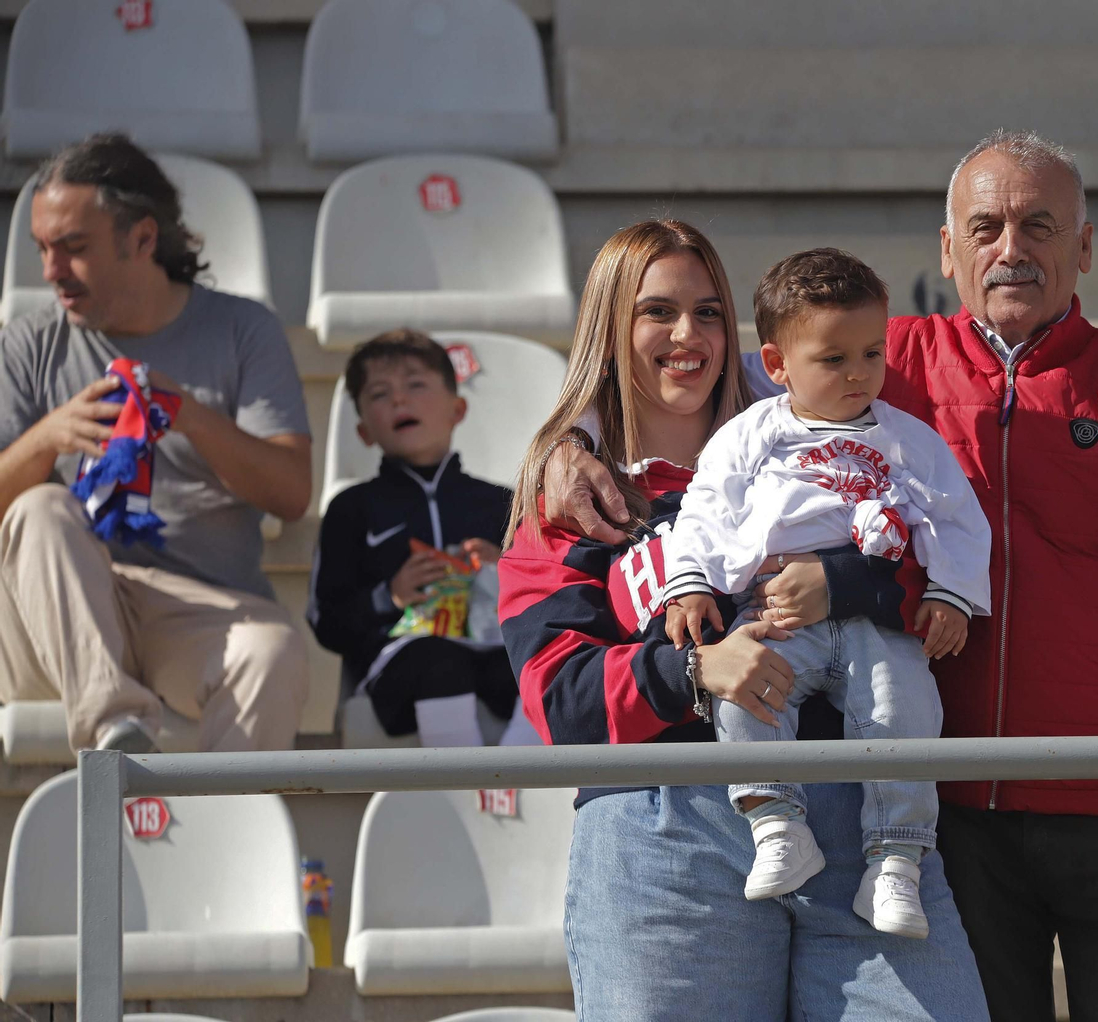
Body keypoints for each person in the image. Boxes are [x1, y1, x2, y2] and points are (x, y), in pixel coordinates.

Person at [541, 132, 1098, 1022]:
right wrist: (567, 440)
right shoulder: (882, 358)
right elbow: (683, 374)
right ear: (947, 249)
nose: (1012, 248)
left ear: (1083, 246)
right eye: (987, 226)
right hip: (954, 798)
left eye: (1040, 225)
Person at [497, 219, 992, 1021]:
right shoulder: (572, 503)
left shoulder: (833, 445)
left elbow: (934, 576)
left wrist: (840, 582)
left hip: (862, 820)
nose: (687, 335)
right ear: (609, 331)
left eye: (709, 312)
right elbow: (558, 699)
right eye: (657, 312)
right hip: (667, 832)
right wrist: (693, 673)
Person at [663, 248, 991, 939]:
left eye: (872, 353)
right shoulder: (752, 434)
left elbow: (958, 519)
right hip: (774, 611)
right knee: (747, 696)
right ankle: (777, 824)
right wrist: (689, 584)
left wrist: (953, 594)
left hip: (878, 625)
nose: (858, 374)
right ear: (778, 365)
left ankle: (896, 860)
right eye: (833, 358)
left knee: (906, 708)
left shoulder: (910, 440)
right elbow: (704, 511)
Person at [0, 132, 312, 754]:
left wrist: (191, 416)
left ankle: (223, 847)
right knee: (39, 508)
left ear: (143, 239)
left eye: (73, 248)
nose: (51, 272)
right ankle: (118, 736)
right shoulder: (29, 342)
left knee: (273, 651)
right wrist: (46, 440)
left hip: (195, 613)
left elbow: (291, 492)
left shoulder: (241, 329)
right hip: (52, 619)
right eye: (42, 249)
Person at [307, 329, 516, 747]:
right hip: (397, 664)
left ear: (457, 409)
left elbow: (545, 590)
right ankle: (461, 791)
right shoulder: (352, 508)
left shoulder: (504, 503)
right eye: (380, 394)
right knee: (439, 658)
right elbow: (326, 621)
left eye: (416, 385)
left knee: (534, 663)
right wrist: (391, 597)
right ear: (364, 431)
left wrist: (504, 569)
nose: (399, 400)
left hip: (490, 648)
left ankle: (533, 791)